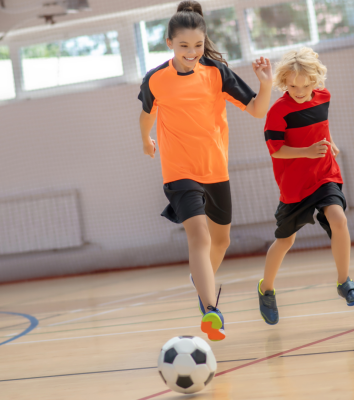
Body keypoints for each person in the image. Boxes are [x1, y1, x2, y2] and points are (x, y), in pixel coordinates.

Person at [138, 1, 272, 340]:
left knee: (222, 240)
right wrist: (146, 139)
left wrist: (266, 83)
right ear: (170, 43)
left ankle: (201, 283)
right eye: (184, 45)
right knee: (198, 236)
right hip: (179, 171)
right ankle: (211, 310)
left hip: (215, 169)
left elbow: (257, 110)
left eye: (198, 45)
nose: (192, 51)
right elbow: (146, 112)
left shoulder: (216, 73)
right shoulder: (156, 80)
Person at [257, 47, 354, 325]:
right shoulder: (277, 112)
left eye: (305, 85)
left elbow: (322, 125)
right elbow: (277, 151)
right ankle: (266, 289)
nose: (300, 91)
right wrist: (306, 151)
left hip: (324, 174)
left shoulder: (323, 97)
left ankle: (345, 282)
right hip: (294, 186)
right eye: (292, 85)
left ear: (315, 82)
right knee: (285, 241)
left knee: (338, 219)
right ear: (284, 82)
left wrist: (331, 142)